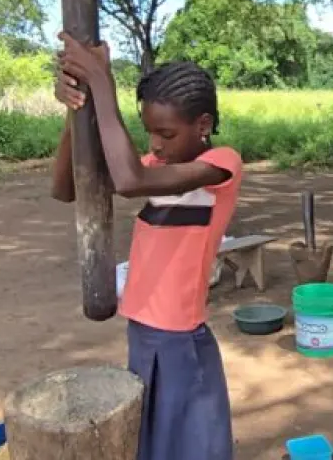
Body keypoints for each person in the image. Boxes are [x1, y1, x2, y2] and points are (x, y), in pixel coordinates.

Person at [50, 32, 242, 460]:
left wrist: (101, 82)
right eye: (149, 132)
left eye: (166, 133)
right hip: (143, 332)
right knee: (154, 445)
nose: (155, 144)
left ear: (203, 125)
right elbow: (66, 188)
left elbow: (128, 180)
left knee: (193, 448)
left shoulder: (221, 165)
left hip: (180, 340)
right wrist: (77, 110)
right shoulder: (156, 165)